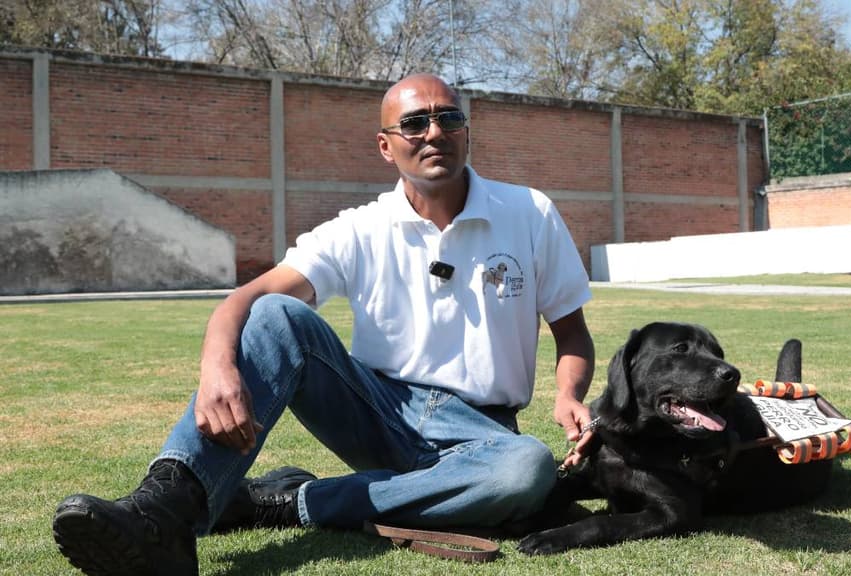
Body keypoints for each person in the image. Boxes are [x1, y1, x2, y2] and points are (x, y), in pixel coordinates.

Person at [52, 72, 597, 575]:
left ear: (466, 132)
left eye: (448, 118)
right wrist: (216, 367)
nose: (434, 132)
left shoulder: (528, 212)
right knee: (275, 314)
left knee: (526, 469)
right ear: (386, 146)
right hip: (381, 411)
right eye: (414, 122)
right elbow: (247, 297)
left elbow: (570, 331)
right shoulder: (360, 229)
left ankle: (291, 501)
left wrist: (568, 394)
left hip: (483, 434)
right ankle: (163, 509)